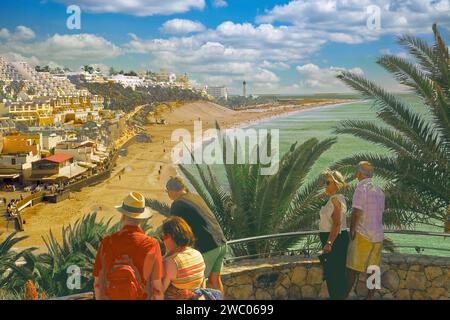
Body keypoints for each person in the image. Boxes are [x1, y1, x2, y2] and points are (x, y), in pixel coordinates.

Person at [93, 192, 164, 300]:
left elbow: (98, 285)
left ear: (123, 215)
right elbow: (157, 290)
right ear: (141, 218)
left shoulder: (107, 242)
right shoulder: (151, 244)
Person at [166, 176, 227, 293]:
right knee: (215, 281)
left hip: (207, 247)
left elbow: (173, 230)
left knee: (198, 283)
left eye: (167, 191)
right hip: (221, 242)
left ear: (171, 190)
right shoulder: (195, 196)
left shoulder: (177, 204)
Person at [346, 161, 385, 300]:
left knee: (351, 268)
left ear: (360, 173)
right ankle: (370, 297)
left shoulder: (361, 189)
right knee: (373, 269)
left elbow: (356, 212)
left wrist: (352, 230)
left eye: (357, 171)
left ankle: (345, 295)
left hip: (363, 234)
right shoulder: (379, 191)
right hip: (378, 236)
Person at [318, 170, 349, 300]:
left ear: (336, 184)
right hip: (335, 239)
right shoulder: (335, 199)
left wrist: (329, 243)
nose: (325, 185)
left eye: (328, 182)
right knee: (335, 274)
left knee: (334, 275)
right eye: (325, 182)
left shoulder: (336, 200)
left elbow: (337, 224)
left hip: (334, 240)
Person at [161, 216, 206, 300]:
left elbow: (160, 290)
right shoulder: (197, 254)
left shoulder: (171, 262)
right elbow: (202, 284)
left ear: (172, 237)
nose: (163, 241)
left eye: (164, 237)